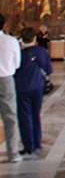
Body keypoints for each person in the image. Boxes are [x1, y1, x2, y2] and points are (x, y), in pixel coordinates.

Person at [14, 27, 52, 158]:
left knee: (25, 117)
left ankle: (28, 145)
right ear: (35, 38)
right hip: (38, 87)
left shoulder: (20, 54)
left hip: (22, 88)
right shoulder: (42, 51)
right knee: (36, 115)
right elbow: (48, 70)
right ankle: (37, 142)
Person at [0, 14, 21, 163]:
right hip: (6, 79)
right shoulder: (10, 41)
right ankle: (13, 153)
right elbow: (16, 64)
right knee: (10, 117)